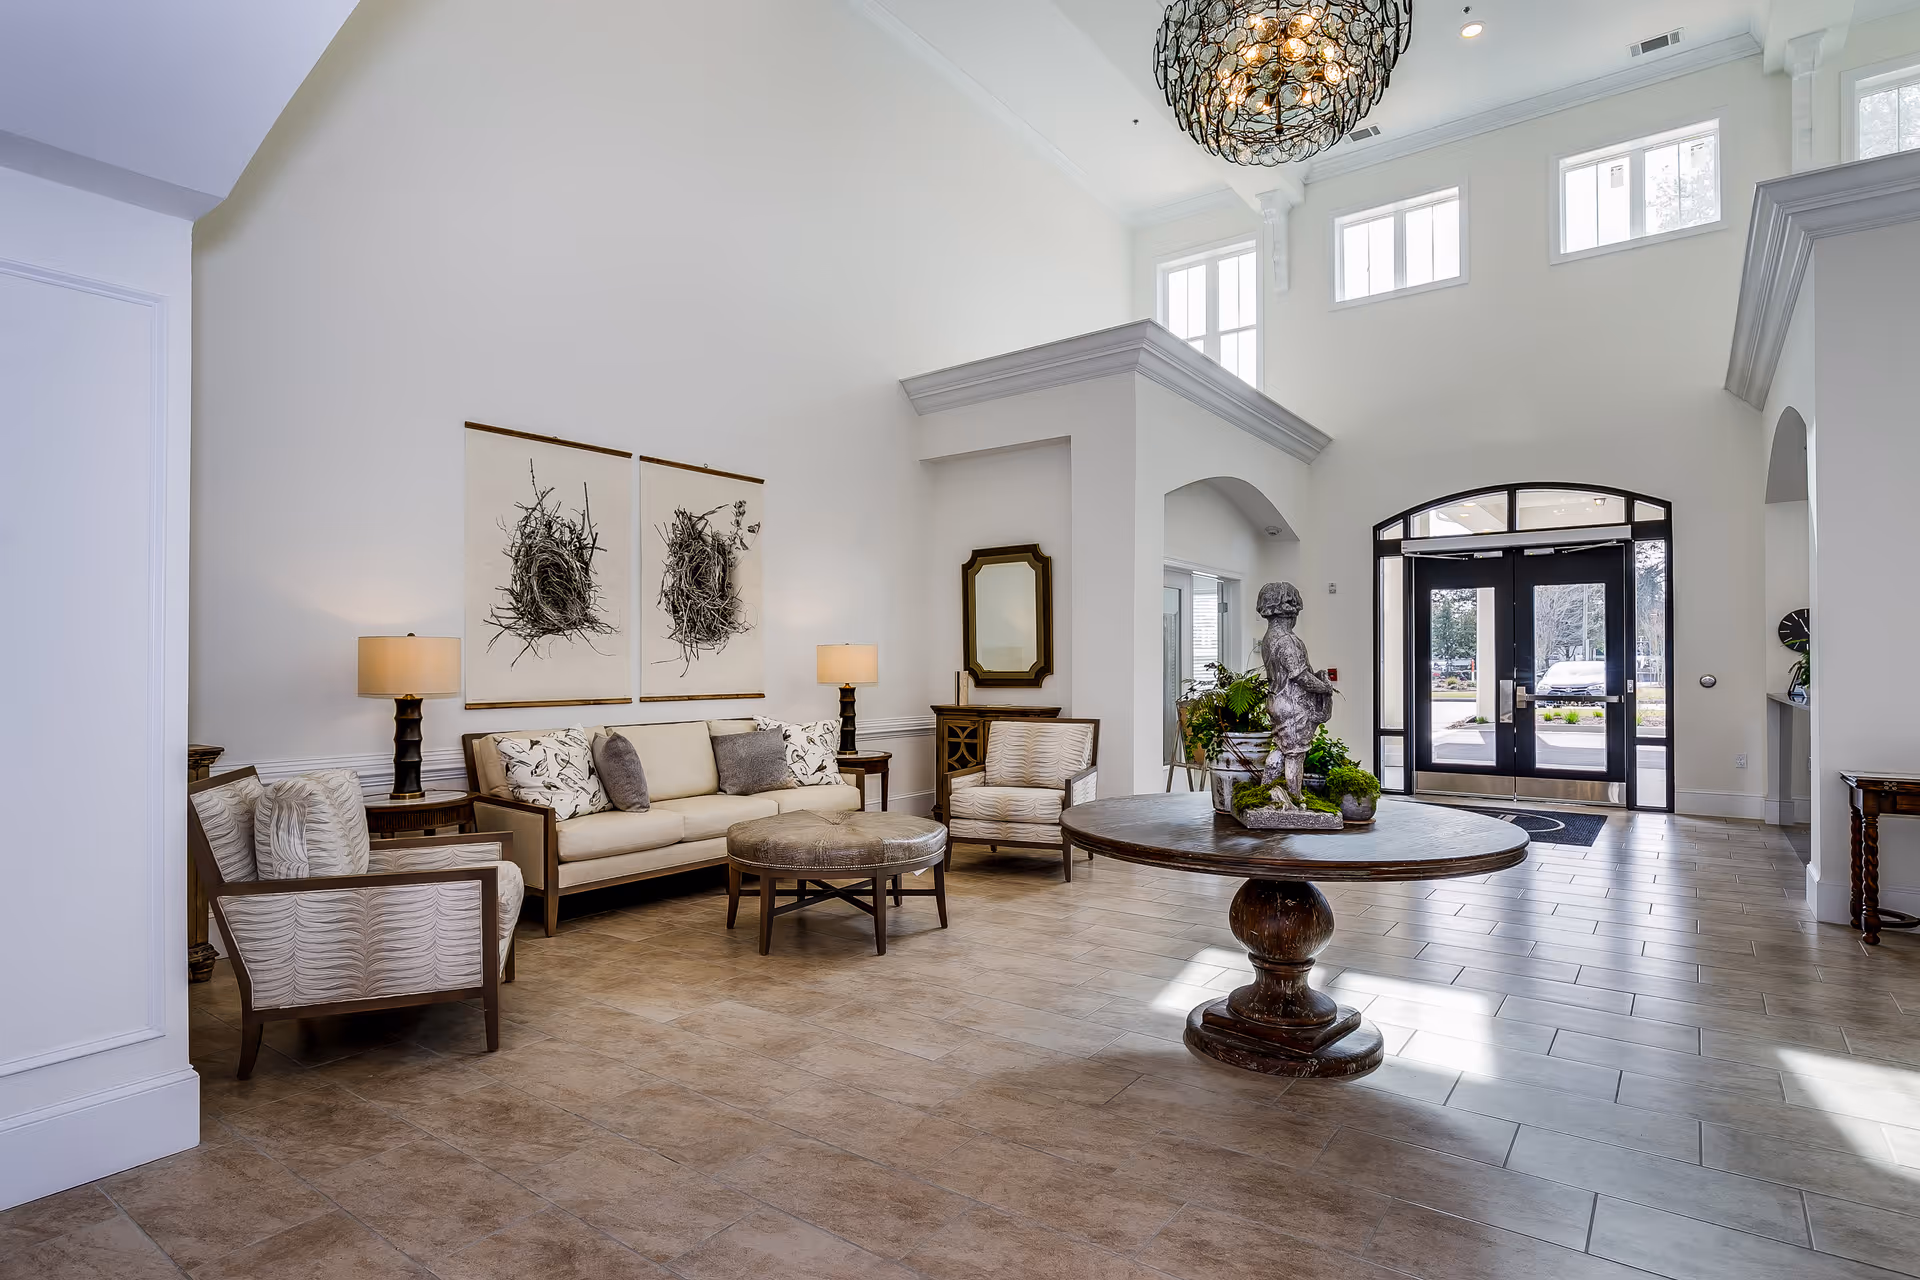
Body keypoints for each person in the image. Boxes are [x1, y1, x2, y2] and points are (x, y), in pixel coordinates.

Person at [1258, 581, 1335, 799]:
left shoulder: (1268, 638)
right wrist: (1325, 687)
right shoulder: (1287, 640)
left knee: (1280, 747)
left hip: (1276, 700)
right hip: (1292, 703)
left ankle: (1265, 792)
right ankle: (1295, 799)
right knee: (1295, 754)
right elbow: (1300, 676)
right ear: (1290, 612)